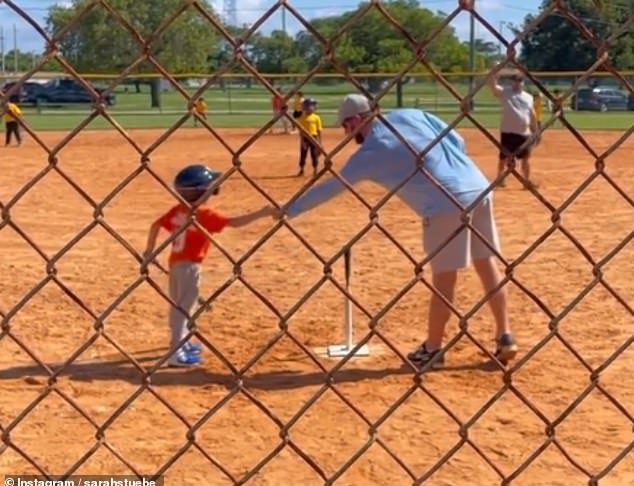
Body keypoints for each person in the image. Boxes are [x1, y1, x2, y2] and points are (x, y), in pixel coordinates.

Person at [276, 94, 518, 369]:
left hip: (444, 202)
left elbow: (331, 188)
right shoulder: (410, 114)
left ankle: (433, 349)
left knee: (444, 279)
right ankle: (505, 335)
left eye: (346, 125)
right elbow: (457, 140)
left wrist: (290, 209)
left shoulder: (369, 152)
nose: (346, 132)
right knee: (487, 264)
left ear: (356, 120)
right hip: (479, 188)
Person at [143, 164, 273, 367]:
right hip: (190, 266)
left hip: (176, 264)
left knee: (182, 306)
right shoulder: (203, 214)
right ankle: (176, 353)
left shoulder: (179, 210)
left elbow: (155, 225)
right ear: (202, 190)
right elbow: (235, 223)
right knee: (183, 308)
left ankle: (182, 343)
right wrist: (262, 213)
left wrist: (148, 251)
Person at [489, 71, 538, 189]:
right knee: (503, 157)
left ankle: (526, 181)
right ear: (511, 82)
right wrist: (494, 74)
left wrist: (535, 129)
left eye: (519, 81)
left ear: (523, 83)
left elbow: (532, 113)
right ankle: (500, 179)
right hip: (507, 131)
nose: (516, 84)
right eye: (514, 81)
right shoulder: (505, 92)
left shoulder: (528, 97)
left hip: (523, 133)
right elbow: (493, 87)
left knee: (525, 158)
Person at [296, 98, 323, 176]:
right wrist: (302, 141)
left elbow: (319, 131)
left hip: (314, 138)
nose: (311, 108)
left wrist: (319, 142)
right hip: (305, 138)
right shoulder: (302, 118)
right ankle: (301, 169)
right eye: (310, 106)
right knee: (303, 154)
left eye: (312, 106)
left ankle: (315, 169)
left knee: (314, 154)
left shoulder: (316, 117)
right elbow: (301, 131)